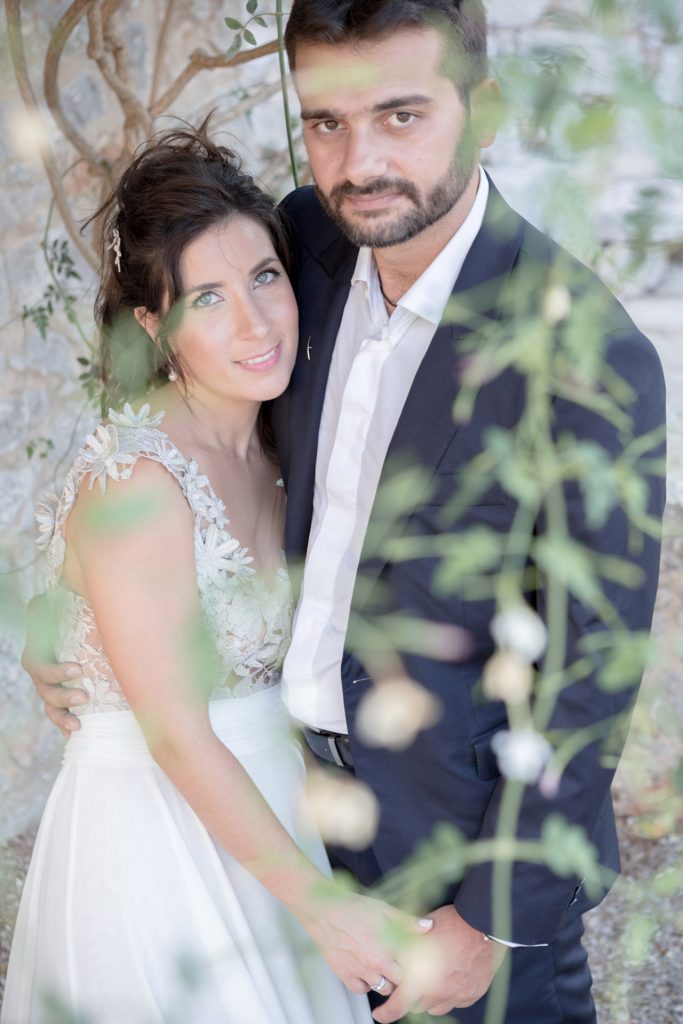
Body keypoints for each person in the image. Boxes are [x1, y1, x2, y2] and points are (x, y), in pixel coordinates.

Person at [25, 3, 667, 1022]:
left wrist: (489, 923)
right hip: (289, 821)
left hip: (453, 864)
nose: (358, 160)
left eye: (401, 115)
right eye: (326, 121)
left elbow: (590, 677)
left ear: (483, 110)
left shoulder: (586, 359)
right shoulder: (308, 250)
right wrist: (73, 643)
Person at [5, 123, 433, 1024]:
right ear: (154, 324)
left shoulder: (284, 438)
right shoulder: (144, 484)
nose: (253, 323)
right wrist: (326, 915)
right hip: (156, 836)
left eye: (264, 279)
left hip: (275, 804)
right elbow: (175, 732)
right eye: (207, 299)